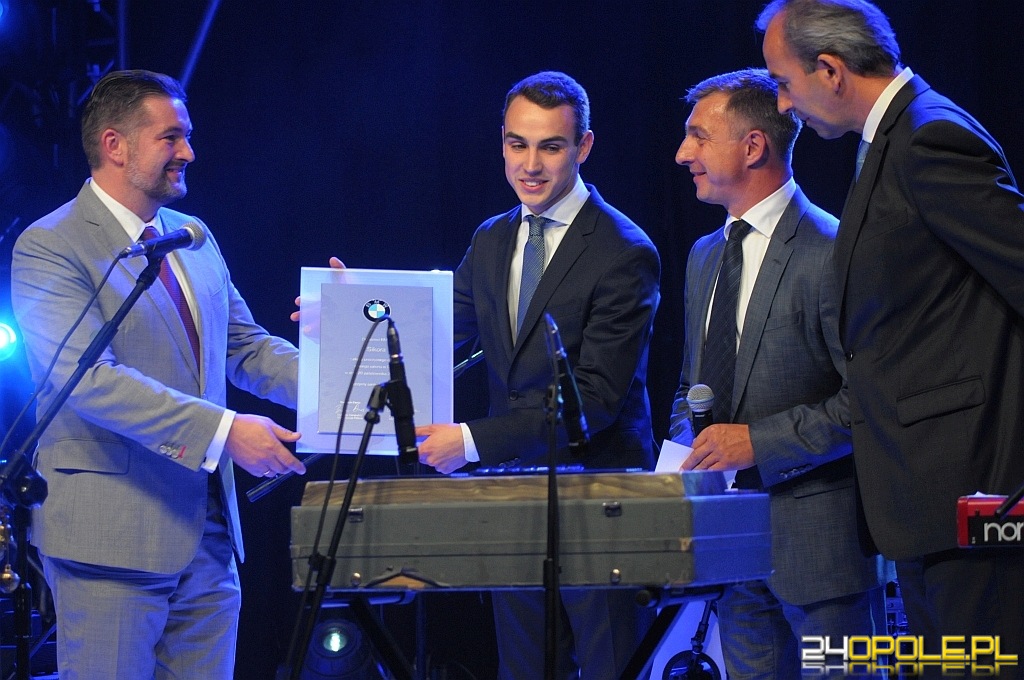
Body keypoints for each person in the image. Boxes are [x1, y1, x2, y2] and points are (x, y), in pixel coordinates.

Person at [11, 70, 306, 679]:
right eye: (171, 137)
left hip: (208, 540)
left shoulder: (193, 237)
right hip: (109, 540)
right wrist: (225, 432)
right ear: (115, 145)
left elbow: (245, 347)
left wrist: (349, 372)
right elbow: (89, 380)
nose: (189, 152)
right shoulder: (50, 245)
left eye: (187, 136)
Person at [758, 0, 1024, 661]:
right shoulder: (891, 140)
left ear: (830, 70)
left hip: (972, 489)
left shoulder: (930, 136)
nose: (784, 105)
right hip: (925, 499)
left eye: (784, 83)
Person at [415, 71, 661, 679]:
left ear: (584, 146)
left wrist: (469, 441)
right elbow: (436, 331)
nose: (530, 165)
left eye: (550, 147)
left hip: (601, 502)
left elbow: (595, 400)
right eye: (517, 144)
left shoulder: (624, 249)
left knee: (611, 668)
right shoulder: (492, 238)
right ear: (501, 142)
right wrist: (355, 309)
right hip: (515, 501)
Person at [669, 67, 889, 678]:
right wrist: (685, 452)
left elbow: (867, 401)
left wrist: (756, 444)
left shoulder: (832, 250)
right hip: (733, 549)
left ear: (753, 146)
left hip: (820, 557)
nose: (683, 153)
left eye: (698, 136)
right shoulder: (704, 255)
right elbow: (691, 386)